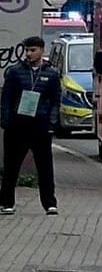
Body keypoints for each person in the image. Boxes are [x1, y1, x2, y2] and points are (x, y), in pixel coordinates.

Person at [2, 37, 61, 216]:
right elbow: (6, 99)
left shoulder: (51, 74)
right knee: (11, 166)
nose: (29, 54)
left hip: (40, 126)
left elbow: (55, 101)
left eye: (33, 50)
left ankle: (50, 203)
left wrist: (51, 123)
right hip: (17, 125)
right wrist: (6, 121)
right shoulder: (14, 72)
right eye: (27, 50)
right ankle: (6, 203)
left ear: (42, 51)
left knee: (44, 166)